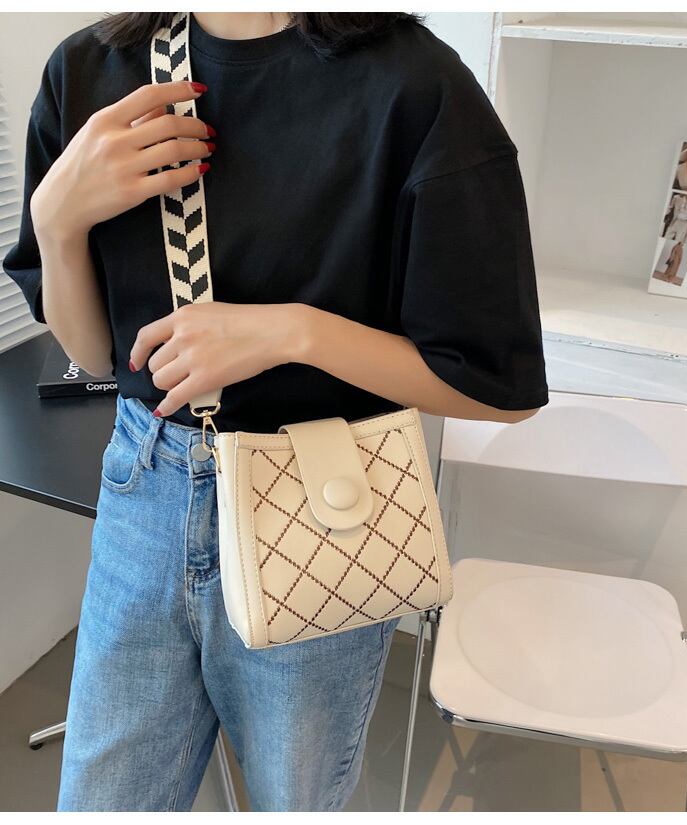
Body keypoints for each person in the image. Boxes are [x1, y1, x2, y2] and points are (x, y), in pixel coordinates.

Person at [3, 11, 549, 812]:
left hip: (322, 500)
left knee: (298, 798)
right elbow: (96, 354)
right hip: (143, 492)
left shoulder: (416, 87)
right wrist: (57, 222)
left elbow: (496, 385)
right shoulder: (92, 71)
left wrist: (292, 333)